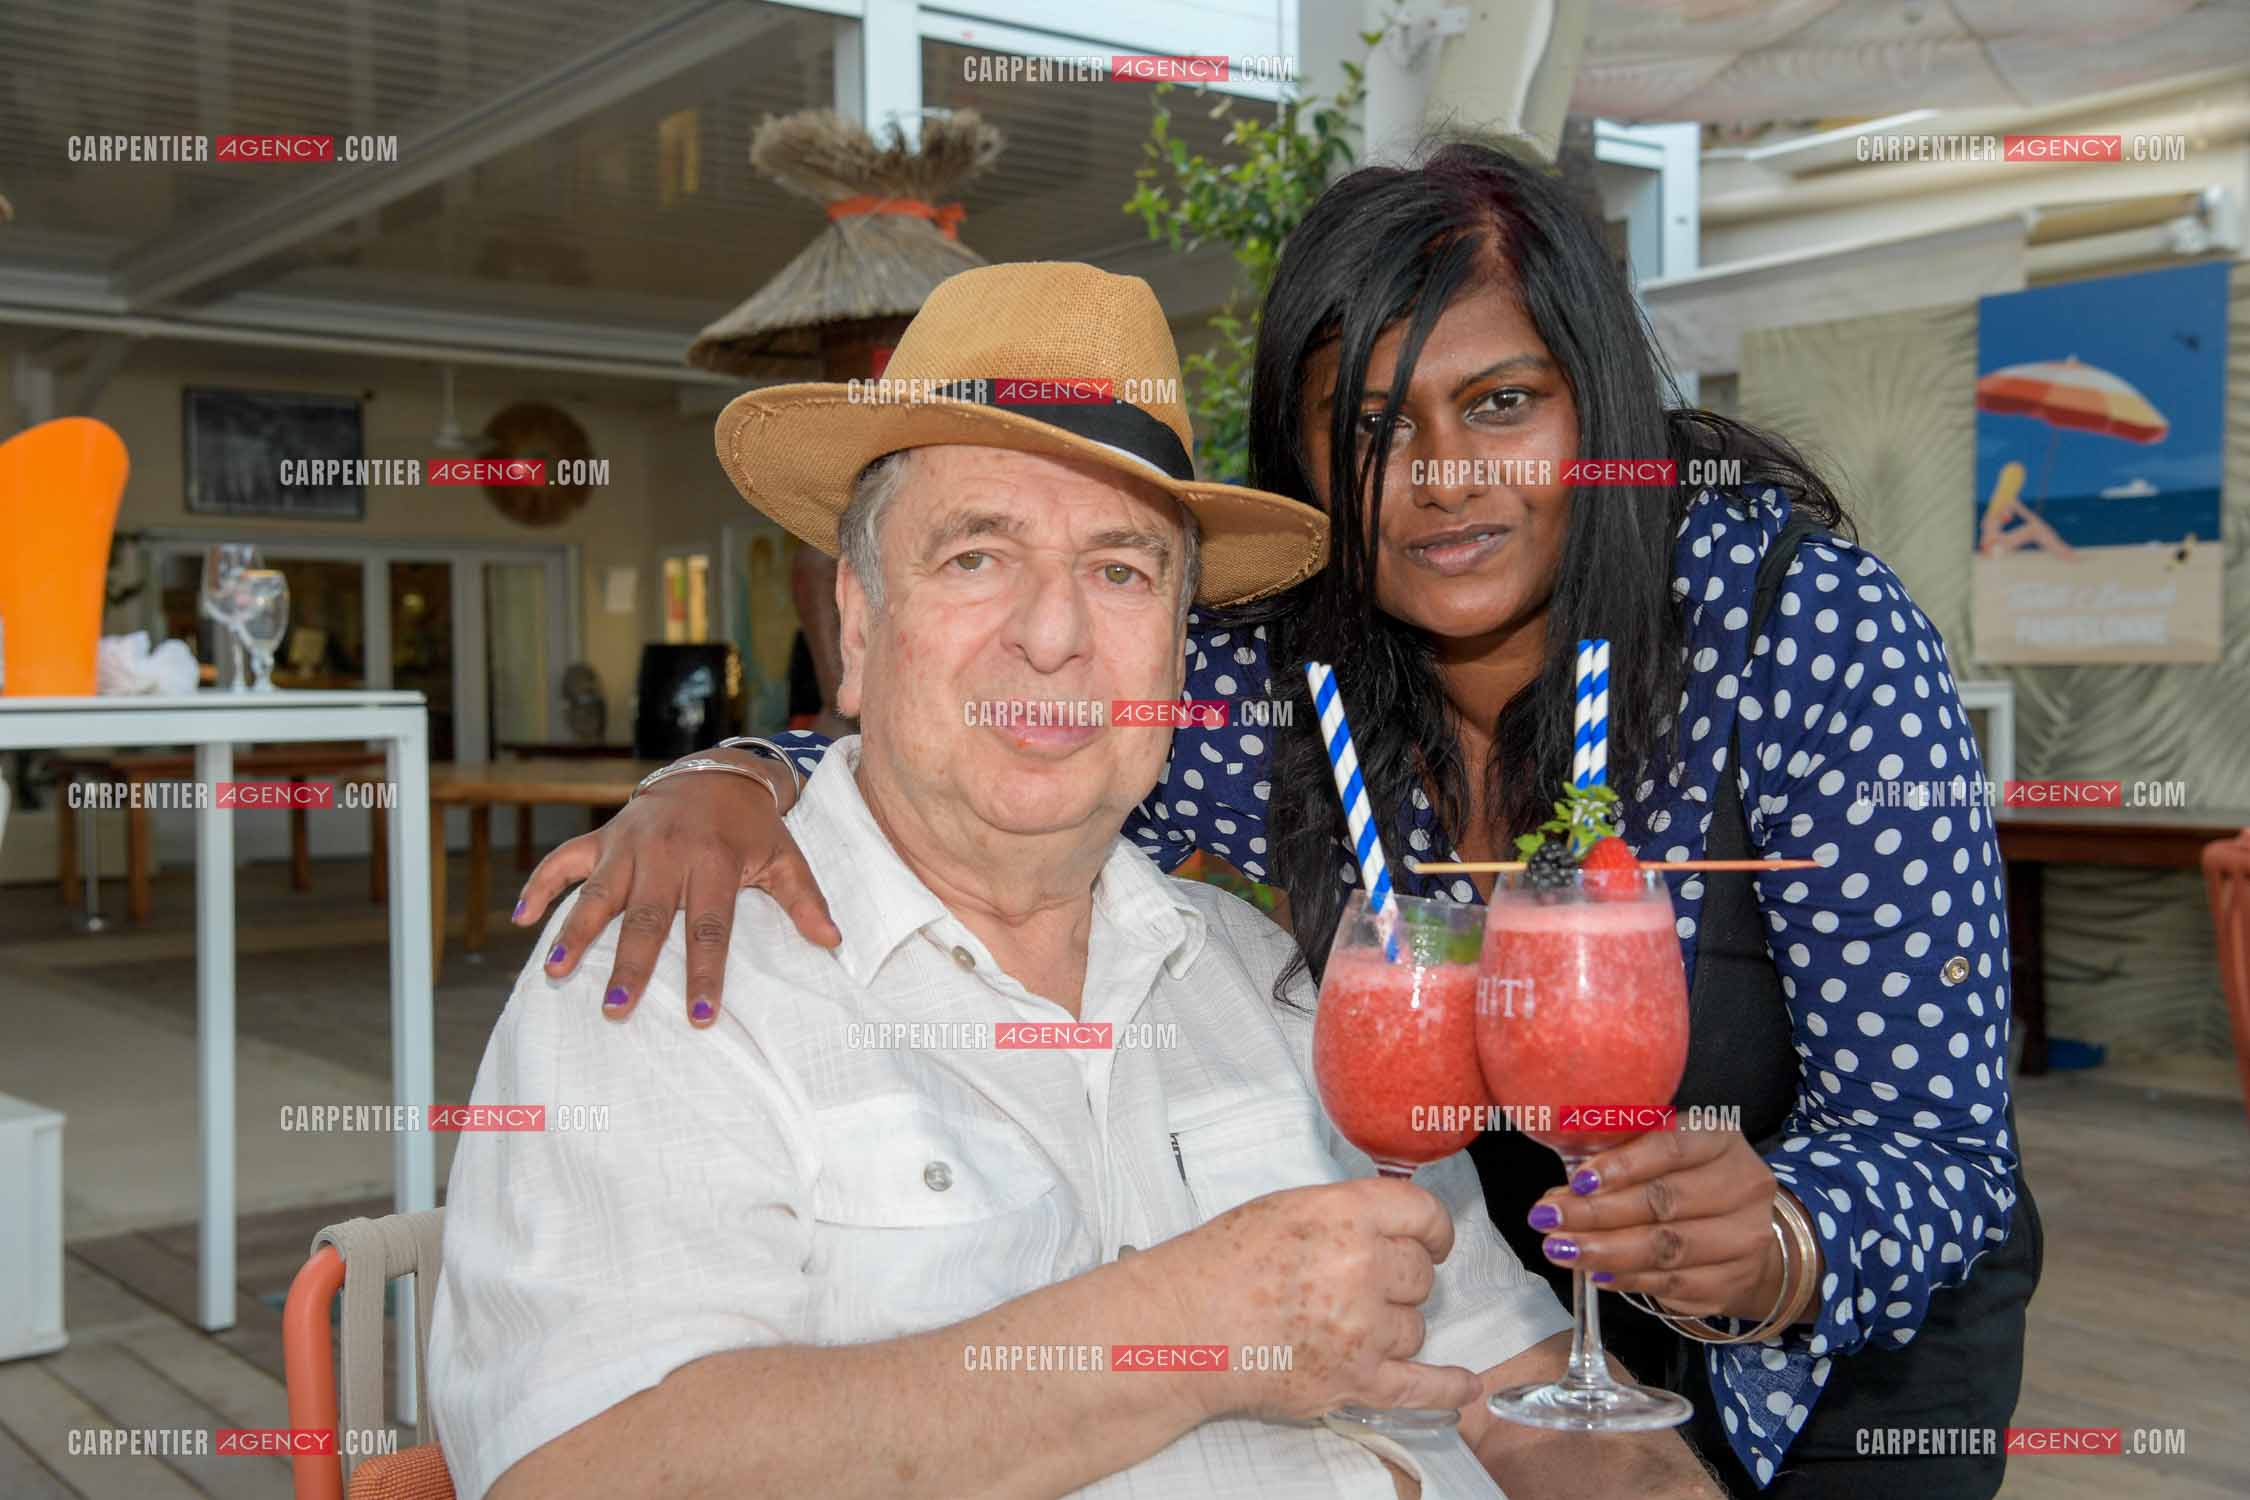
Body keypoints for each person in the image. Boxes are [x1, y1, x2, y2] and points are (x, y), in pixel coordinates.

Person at [519, 143, 2041, 1498]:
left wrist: (1779, 1244)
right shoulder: (1252, 676)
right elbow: (987, 735)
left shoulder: (1792, 641)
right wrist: (724, 778)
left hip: (1825, 1326)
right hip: (1465, 1262)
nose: (1440, 481)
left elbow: (1938, 1146)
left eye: (1502, 404)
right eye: (1371, 426)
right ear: (1305, 458)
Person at [434, 261, 1725, 1500]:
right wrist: (1176, 1327)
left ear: (1174, 650)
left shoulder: (1274, 977)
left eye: (1118, 571)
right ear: (861, 627)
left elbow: (1511, 1379)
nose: (1051, 636)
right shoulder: (667, 969)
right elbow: (580, 1470)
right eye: (976, 556)